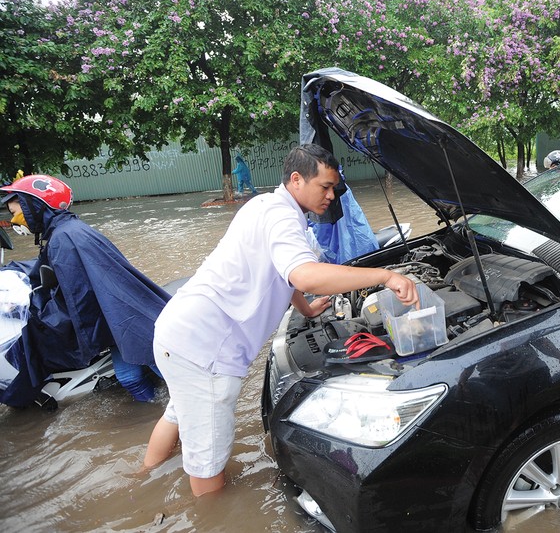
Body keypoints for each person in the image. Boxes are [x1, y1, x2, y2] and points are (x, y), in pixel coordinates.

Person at [143, 143, 418, 497]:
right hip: (205, 351)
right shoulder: (283, 217)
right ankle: (207, 514)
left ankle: (143, 482)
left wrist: (304, 309)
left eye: (334, 188)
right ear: (296, 179)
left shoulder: (264, 205)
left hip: (177, 335)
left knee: (179, 414)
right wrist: (384, 276)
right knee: (208, 459)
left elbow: (281, 274)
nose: (332, 196)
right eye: (325, 187)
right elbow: (303, 274)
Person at [1, 175, 168, 406]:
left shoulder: (64, 238)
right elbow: (48, 270)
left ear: (36, 208)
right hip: (115, 320)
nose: (16, 221)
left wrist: (43, 319)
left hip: (122, 320)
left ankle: (183, 417)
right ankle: (156, 416)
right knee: (129, 378)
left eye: (18, 214)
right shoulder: (65, 231)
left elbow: (78, 298)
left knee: (166, 373)